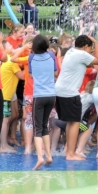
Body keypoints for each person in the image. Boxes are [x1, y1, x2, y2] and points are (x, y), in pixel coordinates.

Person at [53, 34, 98, 161]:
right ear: (85, 46)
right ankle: (70, 154)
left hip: (59, 90)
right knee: (75, 123)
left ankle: (70, 152)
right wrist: (96, 43)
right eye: (90, 48)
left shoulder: (71, 51)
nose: (91, 51)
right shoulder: (81, 54)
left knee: (71, 122)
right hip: (70, 93)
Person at [29, 34, 58, 169]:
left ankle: (40, 157)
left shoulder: (31, 57)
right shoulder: (52, 56)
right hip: (51, 94)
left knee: (37, 128)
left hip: (39, 95)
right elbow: (55, 72)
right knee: (45, 126)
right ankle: (49, 155)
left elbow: (30, 74)